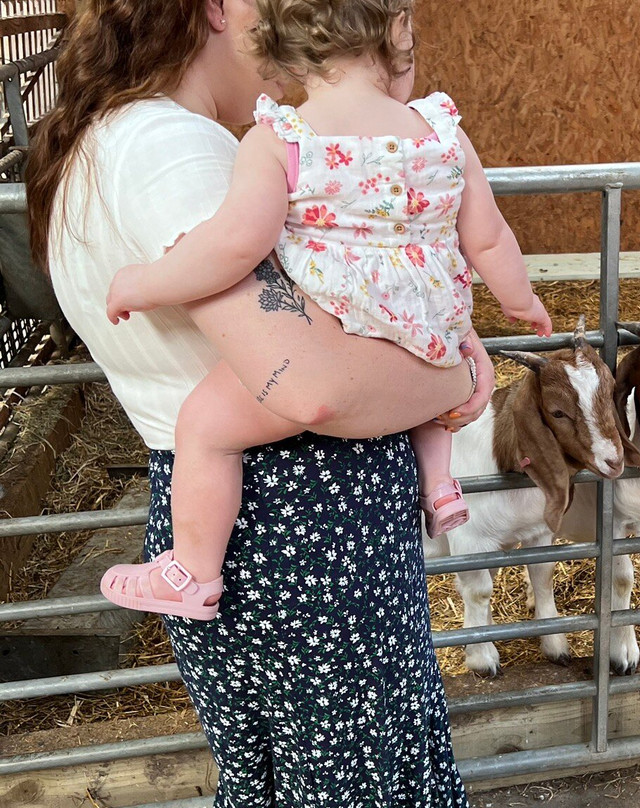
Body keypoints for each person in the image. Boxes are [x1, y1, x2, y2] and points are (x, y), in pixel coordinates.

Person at [26, 0, 491, 803]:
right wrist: (455, 372)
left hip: (241, 515)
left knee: (274, 781)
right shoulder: (176, 151)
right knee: (357, 783)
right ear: (213, 9)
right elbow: (308, 385)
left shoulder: (112, 142)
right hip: (304, 521)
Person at [95, 0, 551, 621]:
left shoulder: (281, 141)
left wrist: (144, 284)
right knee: (427, 378)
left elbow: (232, 246)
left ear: (283, 50)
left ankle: (192, 569)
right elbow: (491, 237)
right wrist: (521, 301)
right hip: (431, 328)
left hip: (341, 325)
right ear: (396, 34)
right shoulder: (441, 132)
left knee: (203, 425)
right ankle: (439, 485)